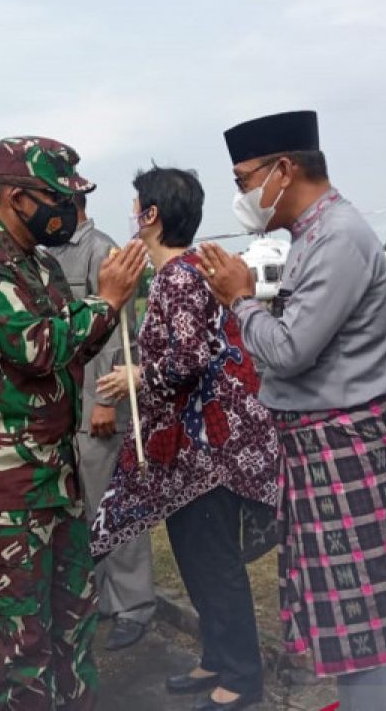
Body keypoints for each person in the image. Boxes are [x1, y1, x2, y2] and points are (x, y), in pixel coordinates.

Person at [200, 111, 386, 711]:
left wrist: (239, 298)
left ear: (283, 170)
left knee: (375, 609)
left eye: (244, 181)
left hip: (350, 452)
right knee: (353, 609)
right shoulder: (312, 237)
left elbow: (289, 350)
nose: (242, 196)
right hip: (328, 454)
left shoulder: (337, 237)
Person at [0, 136, 146, 710]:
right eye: (58, 197)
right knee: (22, 643)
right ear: (15, 197)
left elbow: (71, 350)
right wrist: (106, 301)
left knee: (73, 625)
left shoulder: (37, 263)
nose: (70, 211)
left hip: (54, 476)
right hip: (2, 488)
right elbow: (39, 347)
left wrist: (105, 309)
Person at [94, 166, 279, 711]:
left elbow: (190, 360)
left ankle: (243, 677)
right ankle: (218, 656)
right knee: (197, 560)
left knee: (213, 563)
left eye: (135, 206)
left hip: (206, 455)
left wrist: (136, 377)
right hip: (189, 454)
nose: (131, 214)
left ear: (150, 216)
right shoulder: (182, 272)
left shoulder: (177, 277)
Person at [47, 188, 157, 652]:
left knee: (119, 507)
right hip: (67, 411)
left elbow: (120, 329)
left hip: (99, 404)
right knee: (86, 512)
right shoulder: (48, 254)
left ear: (72, 204)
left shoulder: (101, 250)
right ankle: (104, 600)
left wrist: (107, 399)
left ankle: (135, 606)